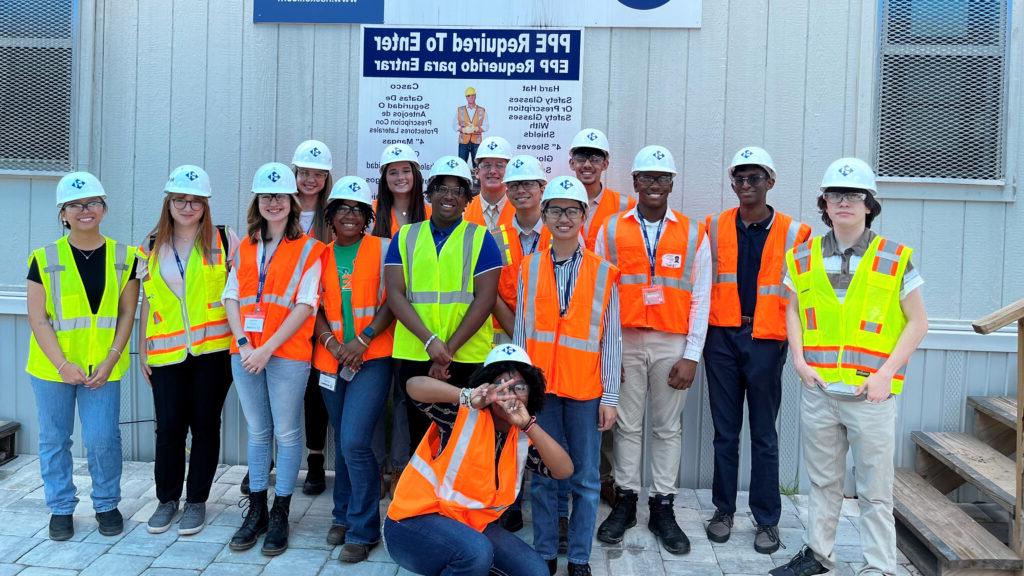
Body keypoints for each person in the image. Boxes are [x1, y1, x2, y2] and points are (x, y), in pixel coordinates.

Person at [771, 158, 927, 576]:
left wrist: (885, 374)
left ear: (869, 204)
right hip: (820, 391)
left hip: (870, 396)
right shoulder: (801, 257)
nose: (844, 202)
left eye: (853, 195)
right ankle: (819, 555)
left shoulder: (894, 258)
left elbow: (918, 322)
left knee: (875, 490)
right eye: (836, 195)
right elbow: (793, 311)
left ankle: (879, 565)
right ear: (824, 202)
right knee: (822, 482)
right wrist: (800, 361)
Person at [595, 146, 711, 555]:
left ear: (672, 184)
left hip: (671, 343)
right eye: (647, 177)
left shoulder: (695, 233)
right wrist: (608, 352)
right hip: (624, 340)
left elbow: (701, 298)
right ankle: (625, 500)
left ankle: (663, 506)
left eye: (662, 178)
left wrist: (691, 355)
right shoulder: (610, 229)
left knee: (667, 428)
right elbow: (602, 296)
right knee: (626, 425)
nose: (654, 185)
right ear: (635, 183)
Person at [703, 147, 812, 554]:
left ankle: (767, 521)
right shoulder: (713, 227)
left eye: (754, 178)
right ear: (733, 183)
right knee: (724, 433)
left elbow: (803, 294)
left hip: (767, 339)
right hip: (723, 339)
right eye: (740, 179)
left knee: (764, 435)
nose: (746, 186)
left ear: (770, 181)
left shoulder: (795, 232)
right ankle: (723, 511)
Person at [384, 344, 574, 576]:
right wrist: (467, 395)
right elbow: (413, 386)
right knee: (476, 553)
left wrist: (528, 425)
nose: (510, 393)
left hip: (469, 527)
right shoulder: (461, 415)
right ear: (487, 389)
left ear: (530, 394)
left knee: (535, 571)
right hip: (410, 524)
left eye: (519, 387)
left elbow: (563, 470)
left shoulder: (523, 437)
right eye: (500, 386)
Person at [515, 175, 621, 576]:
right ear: (543, 216)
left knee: (586, 479)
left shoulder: (604, 272)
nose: (563, 218)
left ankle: (579, 559)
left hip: (585, 392)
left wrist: (610, 397)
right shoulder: (529, 267)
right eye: (555, 210)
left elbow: (611, 341)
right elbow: (521, 334)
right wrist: (521, 388)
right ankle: (544, 554)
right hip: (542, 393)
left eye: (571, 210)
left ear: (584, 216)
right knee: (542, 477)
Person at [26, 172, 139, 540]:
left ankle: (106, 503)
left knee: (102, 437)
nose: (84, 210)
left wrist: (111, 359)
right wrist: (62, 364)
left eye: (92, 203)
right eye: (75, 205)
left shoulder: (127, 257)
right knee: (55, 439)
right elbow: (37, 318)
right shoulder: (43, 258)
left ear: (104, 209)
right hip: (52, 368)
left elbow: (126, 314)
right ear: (63, 214)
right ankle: (60, 508)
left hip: (102, 369)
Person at [223, 162, 326, 556]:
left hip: (286, 355)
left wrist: (267, 349)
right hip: (246, 352)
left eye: (280, 196)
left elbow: (305, 305)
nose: (274, 203)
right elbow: (231, 297)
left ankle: (281, 511)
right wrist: (246, 342)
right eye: (266, 196)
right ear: (258, 202)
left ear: (292, 202)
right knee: (258, 432)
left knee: (285, 433)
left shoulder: (310, 249)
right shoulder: (246, 246)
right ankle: (258, 511)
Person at [138, 165, 236, 536]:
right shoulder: (150, 244)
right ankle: (167, 500)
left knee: (206, 426)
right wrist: (142, 347)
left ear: (206, 204)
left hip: (212, 351)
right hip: (166, 352)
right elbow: (149, 298)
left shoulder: (224, 239)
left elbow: (239, 291)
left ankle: (196, 501)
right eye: (180, 198)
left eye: (196, 200)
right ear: (169, 202)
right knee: (169, 429)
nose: (188, 206)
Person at [385, 155, 502, 452]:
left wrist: (445, 352)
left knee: (465, 433)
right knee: (420, 436)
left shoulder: (481, 238)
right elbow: (395, 295)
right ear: (429, 194)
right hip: (414, 352)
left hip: (466, 357)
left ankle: (456, 497)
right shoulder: (406, 236)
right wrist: (430, 342)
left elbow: (485, 299)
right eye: (441, 188)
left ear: (467, 199)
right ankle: (423, 496)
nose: (449, 196)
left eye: (458, 190)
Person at [312, 176, 396, 563]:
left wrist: (361, 341)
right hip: (331, 361)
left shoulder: (383, 249)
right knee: (344, 441)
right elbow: (311, 307)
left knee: (355, 442)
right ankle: (342, 516)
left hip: (372, 358)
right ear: (330, 217)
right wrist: (333, 344)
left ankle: (363, 530)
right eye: (341, 209)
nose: (349, 216)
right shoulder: (319, 255)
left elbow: (394, 300)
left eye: (357, 210)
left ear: (367, 217)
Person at [292, 139, 335, 496]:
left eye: (317, 174)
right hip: (282, 316)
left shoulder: (331, 215)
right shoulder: (277, 208)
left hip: (320, 317)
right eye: (304, 172)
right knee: (280, 390)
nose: (310, 180)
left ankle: (316, 460)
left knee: (314, 392)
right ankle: (271, 460)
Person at [567, 128, 636, 251]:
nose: (587, 164)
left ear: (605, 164)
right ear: (572, 163)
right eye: (581, 158)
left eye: (595, 159)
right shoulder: (559, 203)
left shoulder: (626, 206)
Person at [372, 143, 431, 238]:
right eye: (393, 173)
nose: (400, 177)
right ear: (385, 178)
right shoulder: (372, 212)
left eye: (406, 171)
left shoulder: (430, 213)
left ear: (415, 175)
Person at [463, 136, 515, 232]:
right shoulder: (463, 209)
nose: (492, 171)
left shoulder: (520, 208)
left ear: (509, 172)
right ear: (477, 172)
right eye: (487, 165)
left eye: (499, 165)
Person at [454, 86, 487, 164]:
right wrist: (463, 129)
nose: (471, 97)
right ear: (466, 97)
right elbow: (454, 125)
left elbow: (486, 126)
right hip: (463, 141)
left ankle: (477, 176)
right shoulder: (460, 110)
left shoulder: (482, 110)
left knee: (477, 164)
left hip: (476, 142)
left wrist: (476, 128)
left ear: (475, 96)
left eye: (472, 95)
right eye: (468, 96)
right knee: (461, 163)